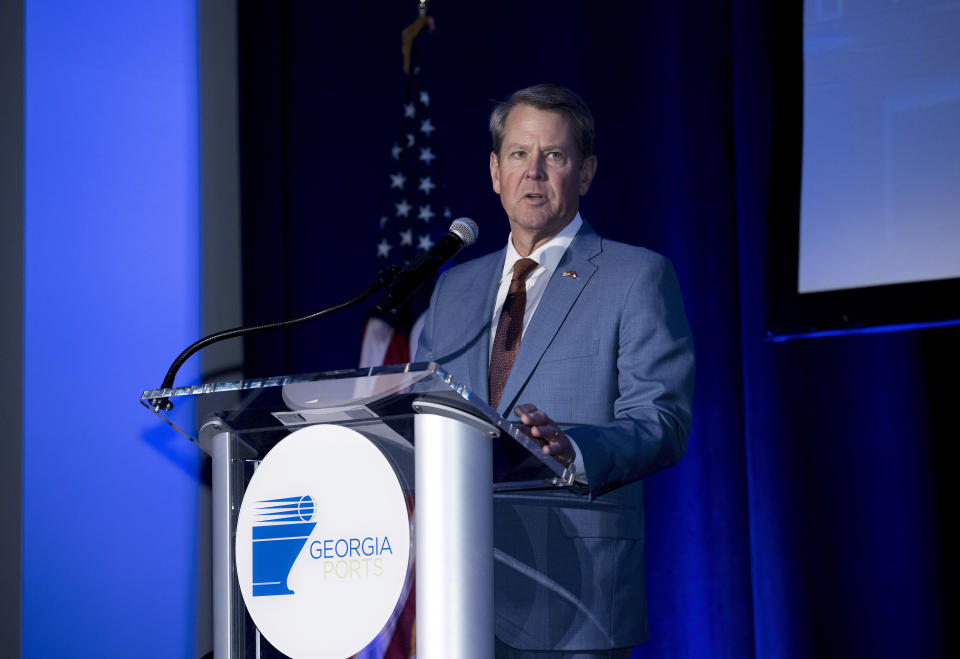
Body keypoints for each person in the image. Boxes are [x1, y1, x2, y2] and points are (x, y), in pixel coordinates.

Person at [415, 83, 695, 658]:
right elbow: (422, 411)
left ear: (586, 173)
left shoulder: (635, 276)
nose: (534, 172)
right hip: (456, 591)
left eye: (555, 156)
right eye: (519, 154)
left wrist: (575, 450)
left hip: (575, 592)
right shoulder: (454, 288)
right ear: (495, 172)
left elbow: (663, 419)